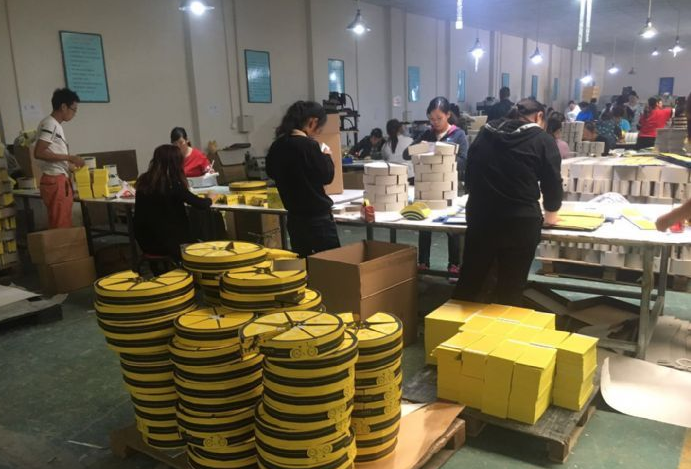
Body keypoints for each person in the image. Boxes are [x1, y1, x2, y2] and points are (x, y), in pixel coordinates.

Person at [453, 98, 562, 306]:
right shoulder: (542, 140)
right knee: (510, 286)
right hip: (520, 223)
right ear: (539, 116)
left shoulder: (485, 133)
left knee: (471, 279)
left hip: (481, 218)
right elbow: (553, 183)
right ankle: (502, 322)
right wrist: (551, 214)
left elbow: (470, 173)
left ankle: (454, 321)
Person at [404, 97, 468, 280]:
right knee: (425, 226)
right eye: (431, 119)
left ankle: (454, 265)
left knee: (451, 227)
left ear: (448, 115)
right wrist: (420, 147)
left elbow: (464, 161)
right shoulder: (427, 134)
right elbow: (406, 154)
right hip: (426, 188)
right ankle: (423, 262)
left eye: (439, 118)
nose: (435, 122)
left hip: (448, 188)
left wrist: (442, 158)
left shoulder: (458, 135)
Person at [266, 101, 340, 257]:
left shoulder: (277, 145)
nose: (317, 132)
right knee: (331, 264)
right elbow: (327, 176)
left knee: (303, 262)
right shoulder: (309, 146)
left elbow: (271, 172)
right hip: (318, 220)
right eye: (319, 127)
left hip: (294, 218)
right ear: (312, 122)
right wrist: (327, 156)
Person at [134, 144, 213, 273]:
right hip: (170, 245)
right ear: (176, 163)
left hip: (146, 243)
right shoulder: (172, 183)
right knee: (202, 237)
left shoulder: (143, 181)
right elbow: (201, 204)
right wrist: (210, 198)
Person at [33, 88, 85, 229]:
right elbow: (39, 152)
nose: (74, 114)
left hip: (56, 178)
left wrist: (69, 166)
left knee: (61, 222)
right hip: (55, 180)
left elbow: (51, 152)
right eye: (74, 110)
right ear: (63, 107)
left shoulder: (52, 124)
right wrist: (70, 157)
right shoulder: (51, 124)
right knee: (61, 225)